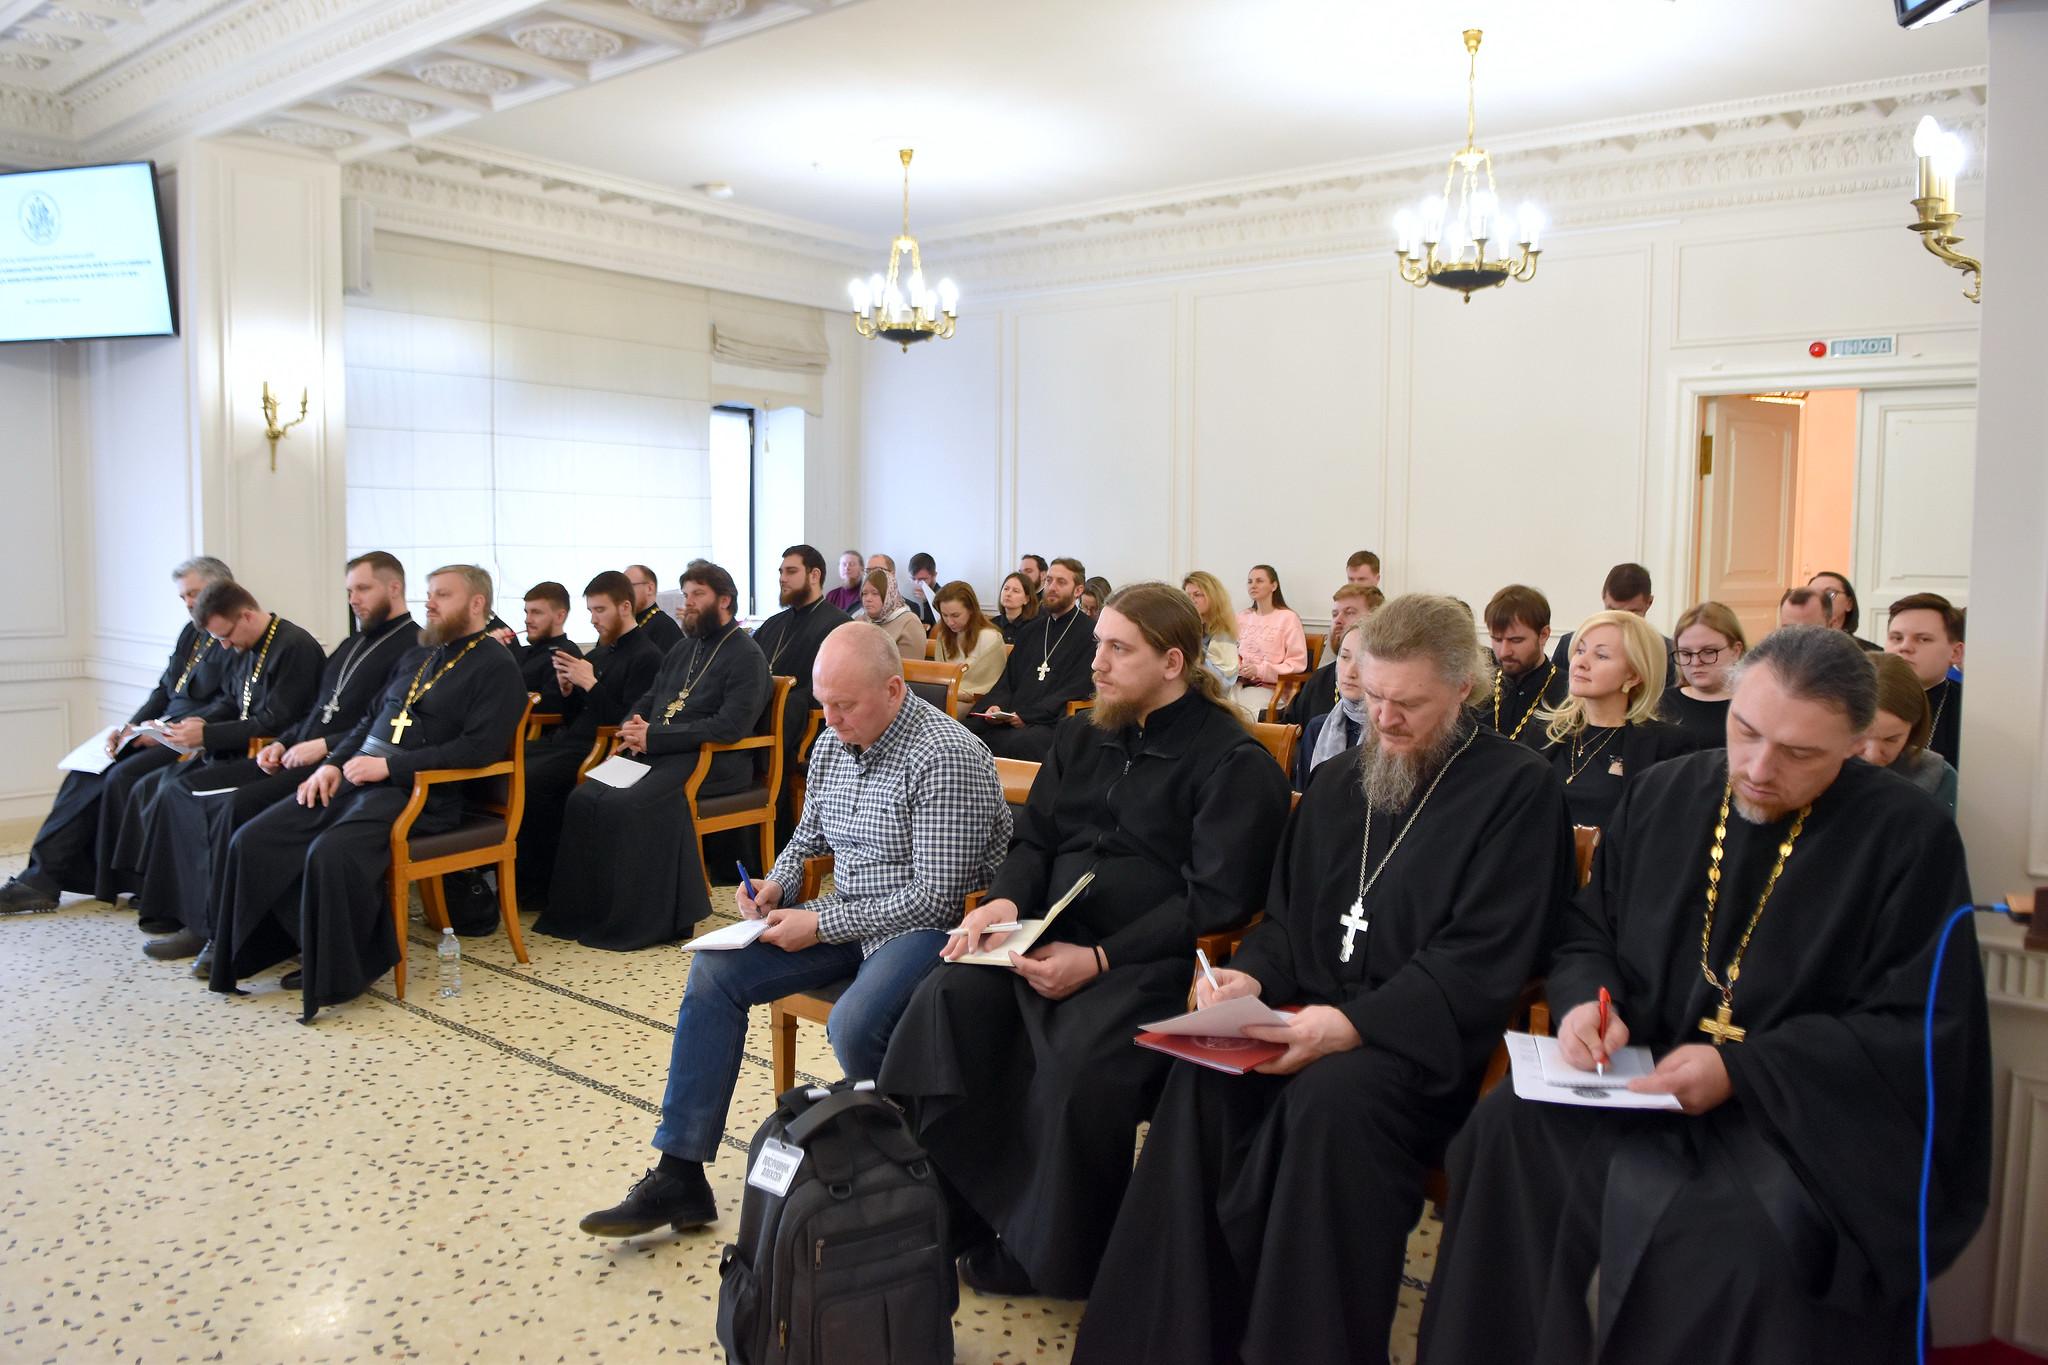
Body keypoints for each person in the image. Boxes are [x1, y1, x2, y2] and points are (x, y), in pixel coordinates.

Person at [1419, 626, 1990, 1365]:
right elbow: (1589, 933)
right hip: (1644, 1074)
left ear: (1855, 745)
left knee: (1737, 1246)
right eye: (1745, 732)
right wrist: (1589, 1004)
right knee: (1504, 1133)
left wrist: (1742, 1070)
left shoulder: (1908, 837)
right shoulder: (1665, 793)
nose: (1758, 768)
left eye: (1799, 753)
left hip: (1795, 1117)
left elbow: (1919, 1026)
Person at [1076, 594, 1572, 1364]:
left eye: (1408, 704)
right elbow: (1284, 921)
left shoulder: (1518, 789)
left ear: (1462, 689)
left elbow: (1480, 956)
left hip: (1416, 1046)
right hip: (1302, 1016)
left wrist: (1349, 1026)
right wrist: (1249, 980)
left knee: (1328, 1102)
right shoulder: (1340, 782)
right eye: (1373, 696)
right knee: (1202, 1075)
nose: (1385, 720)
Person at [882, 583, 1292, 1299]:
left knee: (1077, 1060)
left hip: (1150, 962)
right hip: (1051, 934)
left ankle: (1054, 1253)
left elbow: (1215, 898)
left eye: (1116, 649)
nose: (1095, 662)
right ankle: (958, 1206)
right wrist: (1006, 900)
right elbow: (1036, 839)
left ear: (1172, 662)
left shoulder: (1231, 760)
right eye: (1098, 643)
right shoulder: (1082, 735)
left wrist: (1101, 959)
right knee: (946, 999)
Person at [578, 623, 1011, 1237]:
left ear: (893, 690)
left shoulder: (946, 756)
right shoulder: (835, 740)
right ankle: (680, 1175)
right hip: (850, 918)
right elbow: (807, 838)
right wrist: (777, 885)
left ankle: (916, 1180)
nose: (829, 719)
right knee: (714, 973)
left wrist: (821, 922)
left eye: (844, 705)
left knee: (855, 1023)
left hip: (927, 930)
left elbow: (937, 900)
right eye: (823, 703)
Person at [208, 565, 529, 1021]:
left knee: (330, 852)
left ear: (477, 603)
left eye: (442, 595)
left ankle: (342, 971)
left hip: (421, 795)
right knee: (254, 839)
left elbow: (479, 750)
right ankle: (290, 947)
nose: (429, 603)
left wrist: (389, 767)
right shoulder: (421, 654)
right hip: (359, 777)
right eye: (429, 593)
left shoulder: (496, 666)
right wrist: (332, 765)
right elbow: (369, 722)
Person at [135, 554, 418, 971]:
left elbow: (383, 727)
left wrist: (324, 747)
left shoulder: (414, 647)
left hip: (337, 765)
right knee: (182, 790)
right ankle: (196, 918)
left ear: (394, 588)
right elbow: (314, 712)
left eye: (362, 589)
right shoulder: (352, 644)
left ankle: (226, 934)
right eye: (349, 591)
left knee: (233, 806)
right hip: (295, 755)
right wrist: (282, 743)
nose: (353, 599)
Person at [536, 562, 770, 952]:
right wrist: (632, 726)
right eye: (686, 594)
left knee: (630, 804)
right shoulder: (683, 648)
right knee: (585, 796)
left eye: (698, 595)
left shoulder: (747, 655)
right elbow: (649, 698)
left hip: (712, 762)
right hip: (657, 752)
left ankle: (642, 922)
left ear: (724, 600)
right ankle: (585, 914)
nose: (687, 603)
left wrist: (655, 737)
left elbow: (730, 726)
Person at [0, 556, 235, 915]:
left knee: (120, 777)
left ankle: (132, 881)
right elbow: (164, 689)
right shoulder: (191, 632)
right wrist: (130, 726)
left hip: (192, 737)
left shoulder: (231, 633)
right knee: (85, 772)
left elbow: (230, 703)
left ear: (221, 588)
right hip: (161, 728)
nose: (189, 603)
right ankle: (41, 878)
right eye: (184, 597)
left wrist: (167, 731)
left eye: (194, 593)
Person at [117, 580, 324, 955]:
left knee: (188, 796)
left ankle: (204, 925)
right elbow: (231, 700)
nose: (224, 646)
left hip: (272, 759)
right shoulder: (245, 645)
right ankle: (174, 910)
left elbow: (278, 720)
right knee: (168, 790)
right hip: (236, 750)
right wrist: (195, 724)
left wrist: (209, 735)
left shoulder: (295, 647)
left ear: (246, 616)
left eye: (225, 636)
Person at [514, 571, 666, 906]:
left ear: (624, 607)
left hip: (602, 750)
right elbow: (574, 715)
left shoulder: (647, 656)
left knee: (532, 778)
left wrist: (591, 684)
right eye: (591, 611)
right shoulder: (598, 654)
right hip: (571, 740)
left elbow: (624, 723)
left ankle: (538, 886)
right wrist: (568, 690)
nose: (594, 619)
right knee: (509, 762)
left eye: (600, 610)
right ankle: (511, 877)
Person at [1541, 610, 1698, 830]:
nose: (1581, 663)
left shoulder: (1667, 746)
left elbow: (1668, 830)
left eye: (1601, 656)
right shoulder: (1544, 732)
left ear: (1633, 675)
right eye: (1580, 650)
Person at [749, 544, 846, 834]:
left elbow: (833, 689)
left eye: (791, 571)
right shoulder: (774, 624)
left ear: (814, 575)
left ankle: (773, 835)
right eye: (781, 572)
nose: (782, 578)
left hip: (811, 727)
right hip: (767, 717)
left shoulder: (839, 625)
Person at [962, 558, 1095, 761]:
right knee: (966, 731)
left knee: (1020, 742)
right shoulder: (1031, 630)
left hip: (1052, 721)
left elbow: (1077, 688)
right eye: (1049, 580)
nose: (1052, 587)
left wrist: (1028, 716)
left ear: (1078, 590)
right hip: (1013, 716)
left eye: (1061, 582)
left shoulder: (1090, 634)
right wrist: (996, 708)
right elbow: (1008, 681)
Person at [1862, 651, 1959, 815]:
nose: (1872, 755)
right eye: (1858, 737)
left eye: (1891, 739)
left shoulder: (1938, 776)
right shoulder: (1816, 767)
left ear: (1914, 730)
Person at [1281, 582, 1382, 729]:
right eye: (1335, 614)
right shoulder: (1320, 680)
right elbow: (1289, 731)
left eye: (1349, 612)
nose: (1338, 620)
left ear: (1377, 619)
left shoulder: (1388, 689)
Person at [1550, 562, 1674, 677]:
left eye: (1632, 613)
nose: (1620, 621)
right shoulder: (1570, 645)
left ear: (1649, 603)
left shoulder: (1667, 654)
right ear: (1603, 597)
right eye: (1613, 611)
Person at [1885, 591, 1964, 770]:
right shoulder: (1855, 699)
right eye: (1896, 638)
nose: (1904, 647)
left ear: (1955, 653)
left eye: (1923, 639)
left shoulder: (1968, 710)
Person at [1482, 584, 1567, 748]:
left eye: (1516, 640)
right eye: (1497, 639)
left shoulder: (1568, 695)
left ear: (1543, 635)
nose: (1504, 652)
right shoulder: (1480, 690)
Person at [1660, 601, 1746, 748]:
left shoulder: (1753, 706)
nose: (1696, 662)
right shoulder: (1660, 706)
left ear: (1736, 651)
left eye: (1708, 652)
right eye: (1686, 653)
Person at [1232, 563, 1307, 721]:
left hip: (1272, 689)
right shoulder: (1243, 617)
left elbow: (1297, 663)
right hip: (1238, 684)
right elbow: (1232, 651)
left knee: (1239, 711)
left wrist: (1259, 670)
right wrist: (1237, 667)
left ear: (1274, 586)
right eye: (1250, 581)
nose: (1253, 585)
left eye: (1259, 581)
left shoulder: (1288, 618)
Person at [1295, 620, 1366, 787]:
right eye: (1345, 657)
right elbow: (1304, 796)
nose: (1350, 672)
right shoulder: (1318, 728)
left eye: (1363, 660)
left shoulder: (1392, 736)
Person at [508, 581, 584, 716]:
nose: (527, 620)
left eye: (536, 613)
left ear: (560, 616)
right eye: (527, 612)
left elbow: (550, 705)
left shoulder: (565, 654)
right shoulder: (522, 653)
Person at [934, 581, 1007, 704]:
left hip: (975, 703)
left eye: (955, 615)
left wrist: (952, 692)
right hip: (947, 696)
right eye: (944, 615)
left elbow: (988, 686)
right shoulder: (943, 636)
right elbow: (938, 674)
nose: (950, 622)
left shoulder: (990, 638)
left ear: (971, 610)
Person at [1180, 570, 1239, 689]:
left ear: (1213, 597)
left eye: (1197, 595)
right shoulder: (1185, 627)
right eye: (1187, 596)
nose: (1191, 600)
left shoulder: (1223, 635)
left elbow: (1223, 684)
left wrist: (1198, 656)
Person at [859, 568, 927, 659]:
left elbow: (912, 665)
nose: (868, 599)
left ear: (889, 594)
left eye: (875, 593)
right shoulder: (862, 620)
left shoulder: (910, 622)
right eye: (864, 593)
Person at [1810, 570, 1880, 650]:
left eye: (1830, 593)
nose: (1819, 599)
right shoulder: (1798, 647)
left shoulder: (1869, 652)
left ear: (1849, 603)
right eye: (1811, 594)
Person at [625, 562, 685, 654]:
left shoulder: (664, 626)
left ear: (649, 588)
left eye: (629, 586)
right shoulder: (628, 624)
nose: (624, 593)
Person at [995, 571, 1039, 644]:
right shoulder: (992, 625)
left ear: (1026, 599)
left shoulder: (1035, 626)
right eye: (1006, 589)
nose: (1008, 594)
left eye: (1015, 591)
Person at [903, 551, 940, 626]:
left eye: (922, 580)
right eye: (913, 579)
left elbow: (940, 623)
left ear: (934, 575)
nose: (916, 583)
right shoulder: (906, 591)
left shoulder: (942, 597)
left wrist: (928, 600)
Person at [825, 549, 865, 614]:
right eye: (844, 564)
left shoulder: (866, 595)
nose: (847, 568)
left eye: (852, 564)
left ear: (862, 569)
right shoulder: (831, 596)